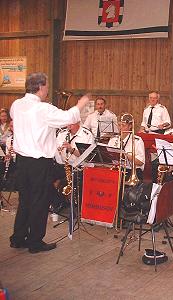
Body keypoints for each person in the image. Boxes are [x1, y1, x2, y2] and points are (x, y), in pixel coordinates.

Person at [9, 72, 89, 254]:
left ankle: (18, 238)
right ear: (40, 87)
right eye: (46, 87)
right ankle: (35, 242)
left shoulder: (16, 105)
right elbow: (69, 118)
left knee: (25, 200)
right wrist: (81, 103)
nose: (47, 90)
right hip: (39, 163)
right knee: (39, 201)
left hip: (22, 161)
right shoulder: (43, 109)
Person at [108, 113, 145, 180]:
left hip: (133, 171)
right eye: (119, 125)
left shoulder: (137, 140)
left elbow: (140, 162)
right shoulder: (113, 140)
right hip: (117, 170)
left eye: (123, 125)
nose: (120, 128)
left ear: (130, 126)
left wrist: (125, 155)